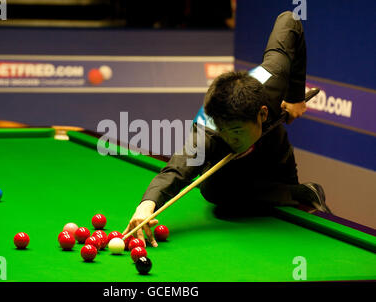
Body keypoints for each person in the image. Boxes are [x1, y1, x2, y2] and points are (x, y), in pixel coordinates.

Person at [123, 11, 332, 247]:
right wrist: (146, 205)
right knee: (213, 191)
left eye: (236, 133)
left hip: (272, 150)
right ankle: (287, 194)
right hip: (227, 173)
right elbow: (176, 171)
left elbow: (290, 19)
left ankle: (301, 193)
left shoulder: (275, 74)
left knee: (293, 209)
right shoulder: (207, 134)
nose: (231, 139)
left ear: (262, 113)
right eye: (225, 132)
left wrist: (294, 96)